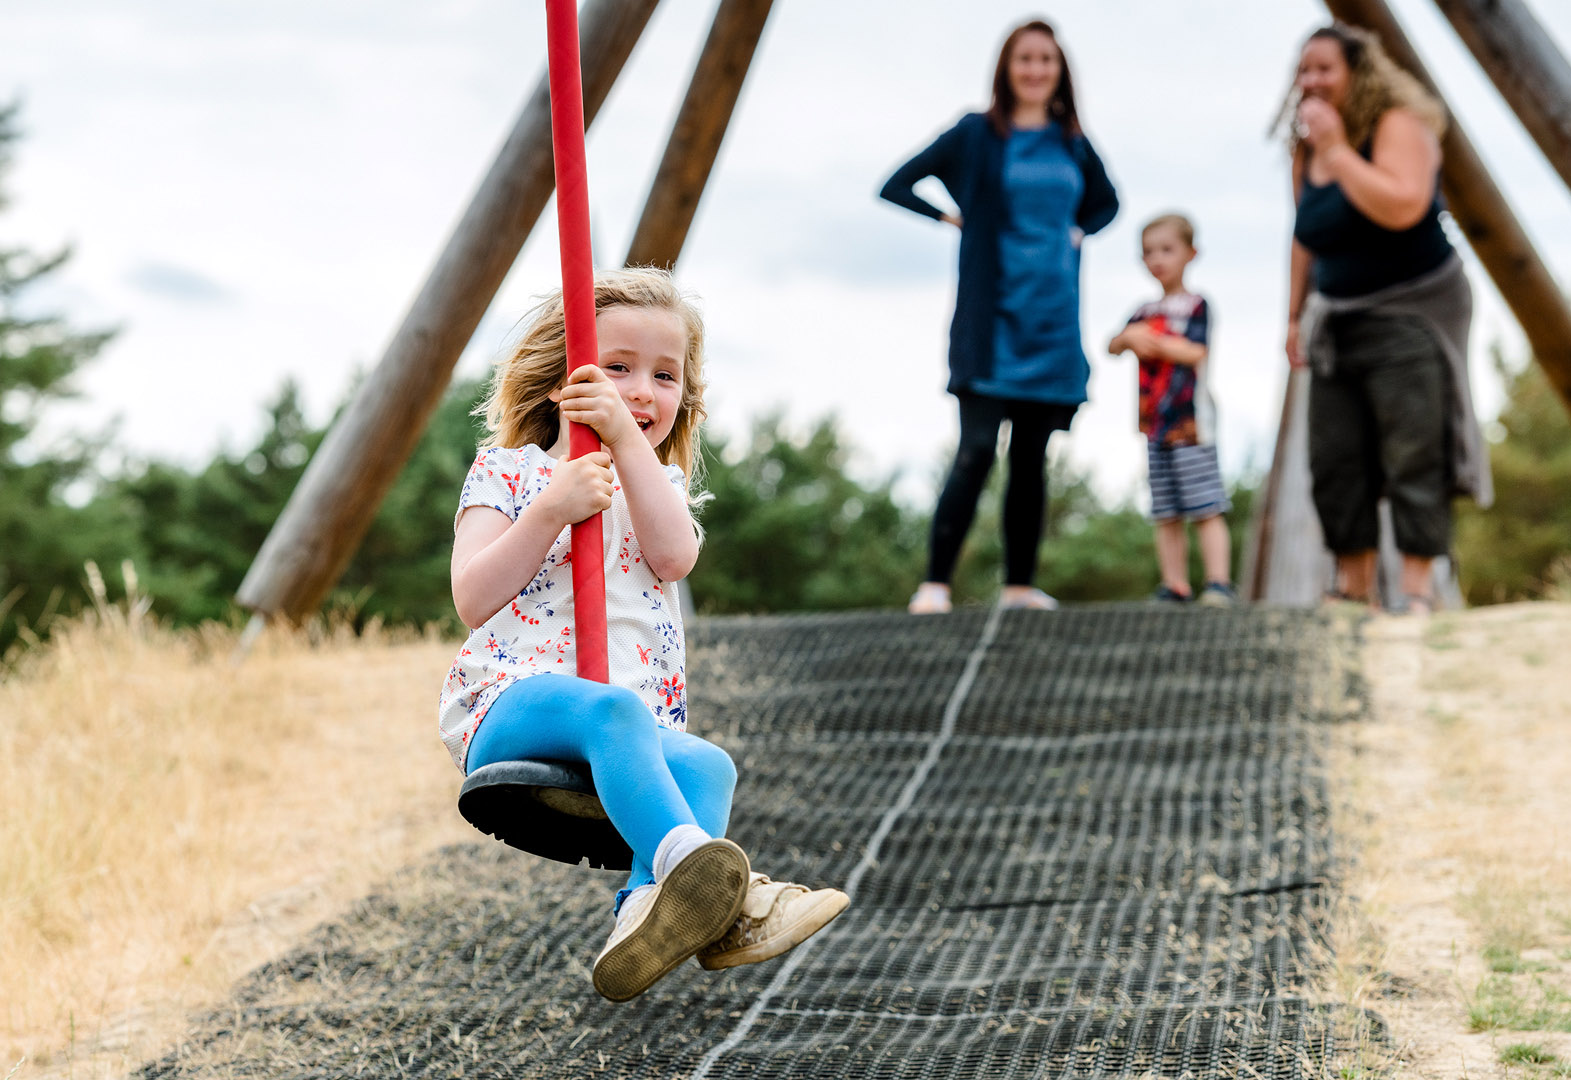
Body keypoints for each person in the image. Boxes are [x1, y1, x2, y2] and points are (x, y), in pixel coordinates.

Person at [439, 268, 848, 1003]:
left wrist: (626, 444)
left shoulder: (658, 489)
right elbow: (472, 596)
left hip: (619, 726)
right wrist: (550, 511)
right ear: (564, 377)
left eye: (665, 375)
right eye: (618, 367)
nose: (641, 391)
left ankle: (641, 910)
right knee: (615, 710)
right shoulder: (509, 473)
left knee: (710, 765)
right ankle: (723, 889)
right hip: (512, 708)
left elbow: (673, 556)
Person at [879, 18, 1119, 614]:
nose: (1036, 69)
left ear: (1059, 70)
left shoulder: (1073, 142)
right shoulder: (976, 134)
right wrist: (951, 218)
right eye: (1025, 59)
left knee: (1032, 460)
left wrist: (1080, 230)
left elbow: (1108, 202)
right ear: (1007, 69)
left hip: (1053, 323)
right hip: (991, 325)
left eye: (1046, 59)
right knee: (977, 449)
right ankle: (935, 584)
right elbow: (898, 183)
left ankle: (1018, 586)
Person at [1280, 24, 1492, 614]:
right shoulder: (1304, 149)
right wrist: (1293, 315)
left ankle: (1417, 593)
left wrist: (1340, 151)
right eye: (1304, 70)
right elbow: (1304, 235)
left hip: (1412, 309)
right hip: (1337, 315)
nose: (1312, 81)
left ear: (1358, 72)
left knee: (1412, 449)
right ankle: (1354, 591)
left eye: (1325, 68)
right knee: (1336, 459)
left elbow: (1403, 206)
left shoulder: (1398, 124)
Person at [1107, 213, 1235, 607]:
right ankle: (1174, 584)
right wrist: (1128, 337)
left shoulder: (1197, 306)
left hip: (1192, 423)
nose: (1157, 259)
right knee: (1165, 509)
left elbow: (1195, 350)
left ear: (1190, 253)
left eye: (1166, 249)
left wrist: (1154, 341)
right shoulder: (1142, 312)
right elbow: (1112, 346)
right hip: (1155, 425)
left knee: (1205, 504)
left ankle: (1218, 583)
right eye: (1148, 252)